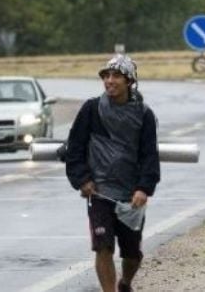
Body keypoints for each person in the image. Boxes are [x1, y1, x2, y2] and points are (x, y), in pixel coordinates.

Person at [64, 54, 160, 292]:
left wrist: (143, 188)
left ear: (129, 81)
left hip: (131, 196)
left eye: (116, 76)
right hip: (100, 192)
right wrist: (82, 180)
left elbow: (150, 155)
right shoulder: (91, 109)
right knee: (103, 247)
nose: (109, 81)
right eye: (106, 76)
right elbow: (74, 148)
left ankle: (125, 282)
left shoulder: (144, 115)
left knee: (132, 254)